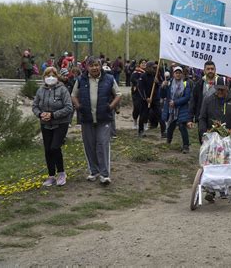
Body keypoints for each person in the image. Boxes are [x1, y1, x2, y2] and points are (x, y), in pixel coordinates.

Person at [71, 56, 122, 184]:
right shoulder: (81, 80)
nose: (94, 68)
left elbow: (118, 94)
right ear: (87, 67)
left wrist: (110, 107)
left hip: (103, 118)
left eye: (97, 65)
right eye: (91, 65)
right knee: (89, 145)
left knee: (102, 144)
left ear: (100, 66)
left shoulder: (109, 79)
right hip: (87, 118)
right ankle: (94, 171)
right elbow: (73, 95)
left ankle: (104, 174)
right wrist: (78, 106)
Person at [199, 77, 231, 201]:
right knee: (212, 162)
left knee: (225, 162)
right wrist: (203, 134)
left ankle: (224, 187)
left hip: (228, 138)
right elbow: (202, 118)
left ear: (227, 88)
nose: (220, 93)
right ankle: (210, 190)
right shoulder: (208, 100)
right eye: (218, 90)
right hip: (212, 137)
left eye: (222, 90)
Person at [32, 67, 73, 186]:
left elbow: (68, 107)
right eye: (47, 75)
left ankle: (61, 173)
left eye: (53, 75)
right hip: (45, 124)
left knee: (55, 147)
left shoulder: (62, 90)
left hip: (60, 123)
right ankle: (51, 176)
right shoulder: (40, 90)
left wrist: (53, 115)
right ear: (44, 77)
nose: (50, 77)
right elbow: (35, 106)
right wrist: (40, 114)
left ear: (57, 77)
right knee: (48, 150)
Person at [188, 61, 224, 143]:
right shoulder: (199, 84)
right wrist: (190, 118)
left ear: (215, 70)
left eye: (212, 69)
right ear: (204, 70)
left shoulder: (221, 82)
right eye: (208, 69)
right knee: (204, 142)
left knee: (217, 144)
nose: (210, 71)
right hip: (202, 118)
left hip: (218, 119)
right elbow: (193, 101)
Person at [160, 66, 191, 153]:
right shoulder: (169, 83)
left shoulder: (186, 84)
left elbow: (187, 97)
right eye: (176, 73)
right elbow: (162, 95)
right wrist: (162, 87)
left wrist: (176, 102)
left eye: (179, 73)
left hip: (182, 108)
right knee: (170, 126)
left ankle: (186, 146)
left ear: (182, 74)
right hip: (171, 110)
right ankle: (168, 142)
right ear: (173, 74)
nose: (178, 74)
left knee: (182, 126)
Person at [137, 61, 165, 138]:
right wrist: (146, 98)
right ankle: (141, 131)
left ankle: (163, 131)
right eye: (153, 68)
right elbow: (140, 88)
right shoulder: (143, 76)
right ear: (148, 68)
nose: (155, 69)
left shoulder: (156, 75)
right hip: (145, 100)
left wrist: (158, 82)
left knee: (160, 115)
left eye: (155, 68)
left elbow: (161, 85)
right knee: (143, 115)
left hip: (155, 99)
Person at [130, 59, 146, 130]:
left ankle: (145, 123)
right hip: (136, 93)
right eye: (142, 63)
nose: (144, 64)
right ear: (139, 64)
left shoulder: (147, 73)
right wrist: (140, 83)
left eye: (145, 63)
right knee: (136, 107)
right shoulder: (136, 72)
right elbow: (133, 79)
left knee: (145, 109)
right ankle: (135, 122)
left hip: (145, 93)